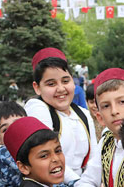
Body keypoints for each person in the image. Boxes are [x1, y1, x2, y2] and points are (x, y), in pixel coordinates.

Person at [24, 48, 96, 179]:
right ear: (37, 88)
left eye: (65, 81)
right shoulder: (37, 108)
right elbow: (48, 156)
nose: (61, 89)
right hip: (53, 186)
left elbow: (94, 159)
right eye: (51, 84)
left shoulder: (83, 115)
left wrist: (92, 184)